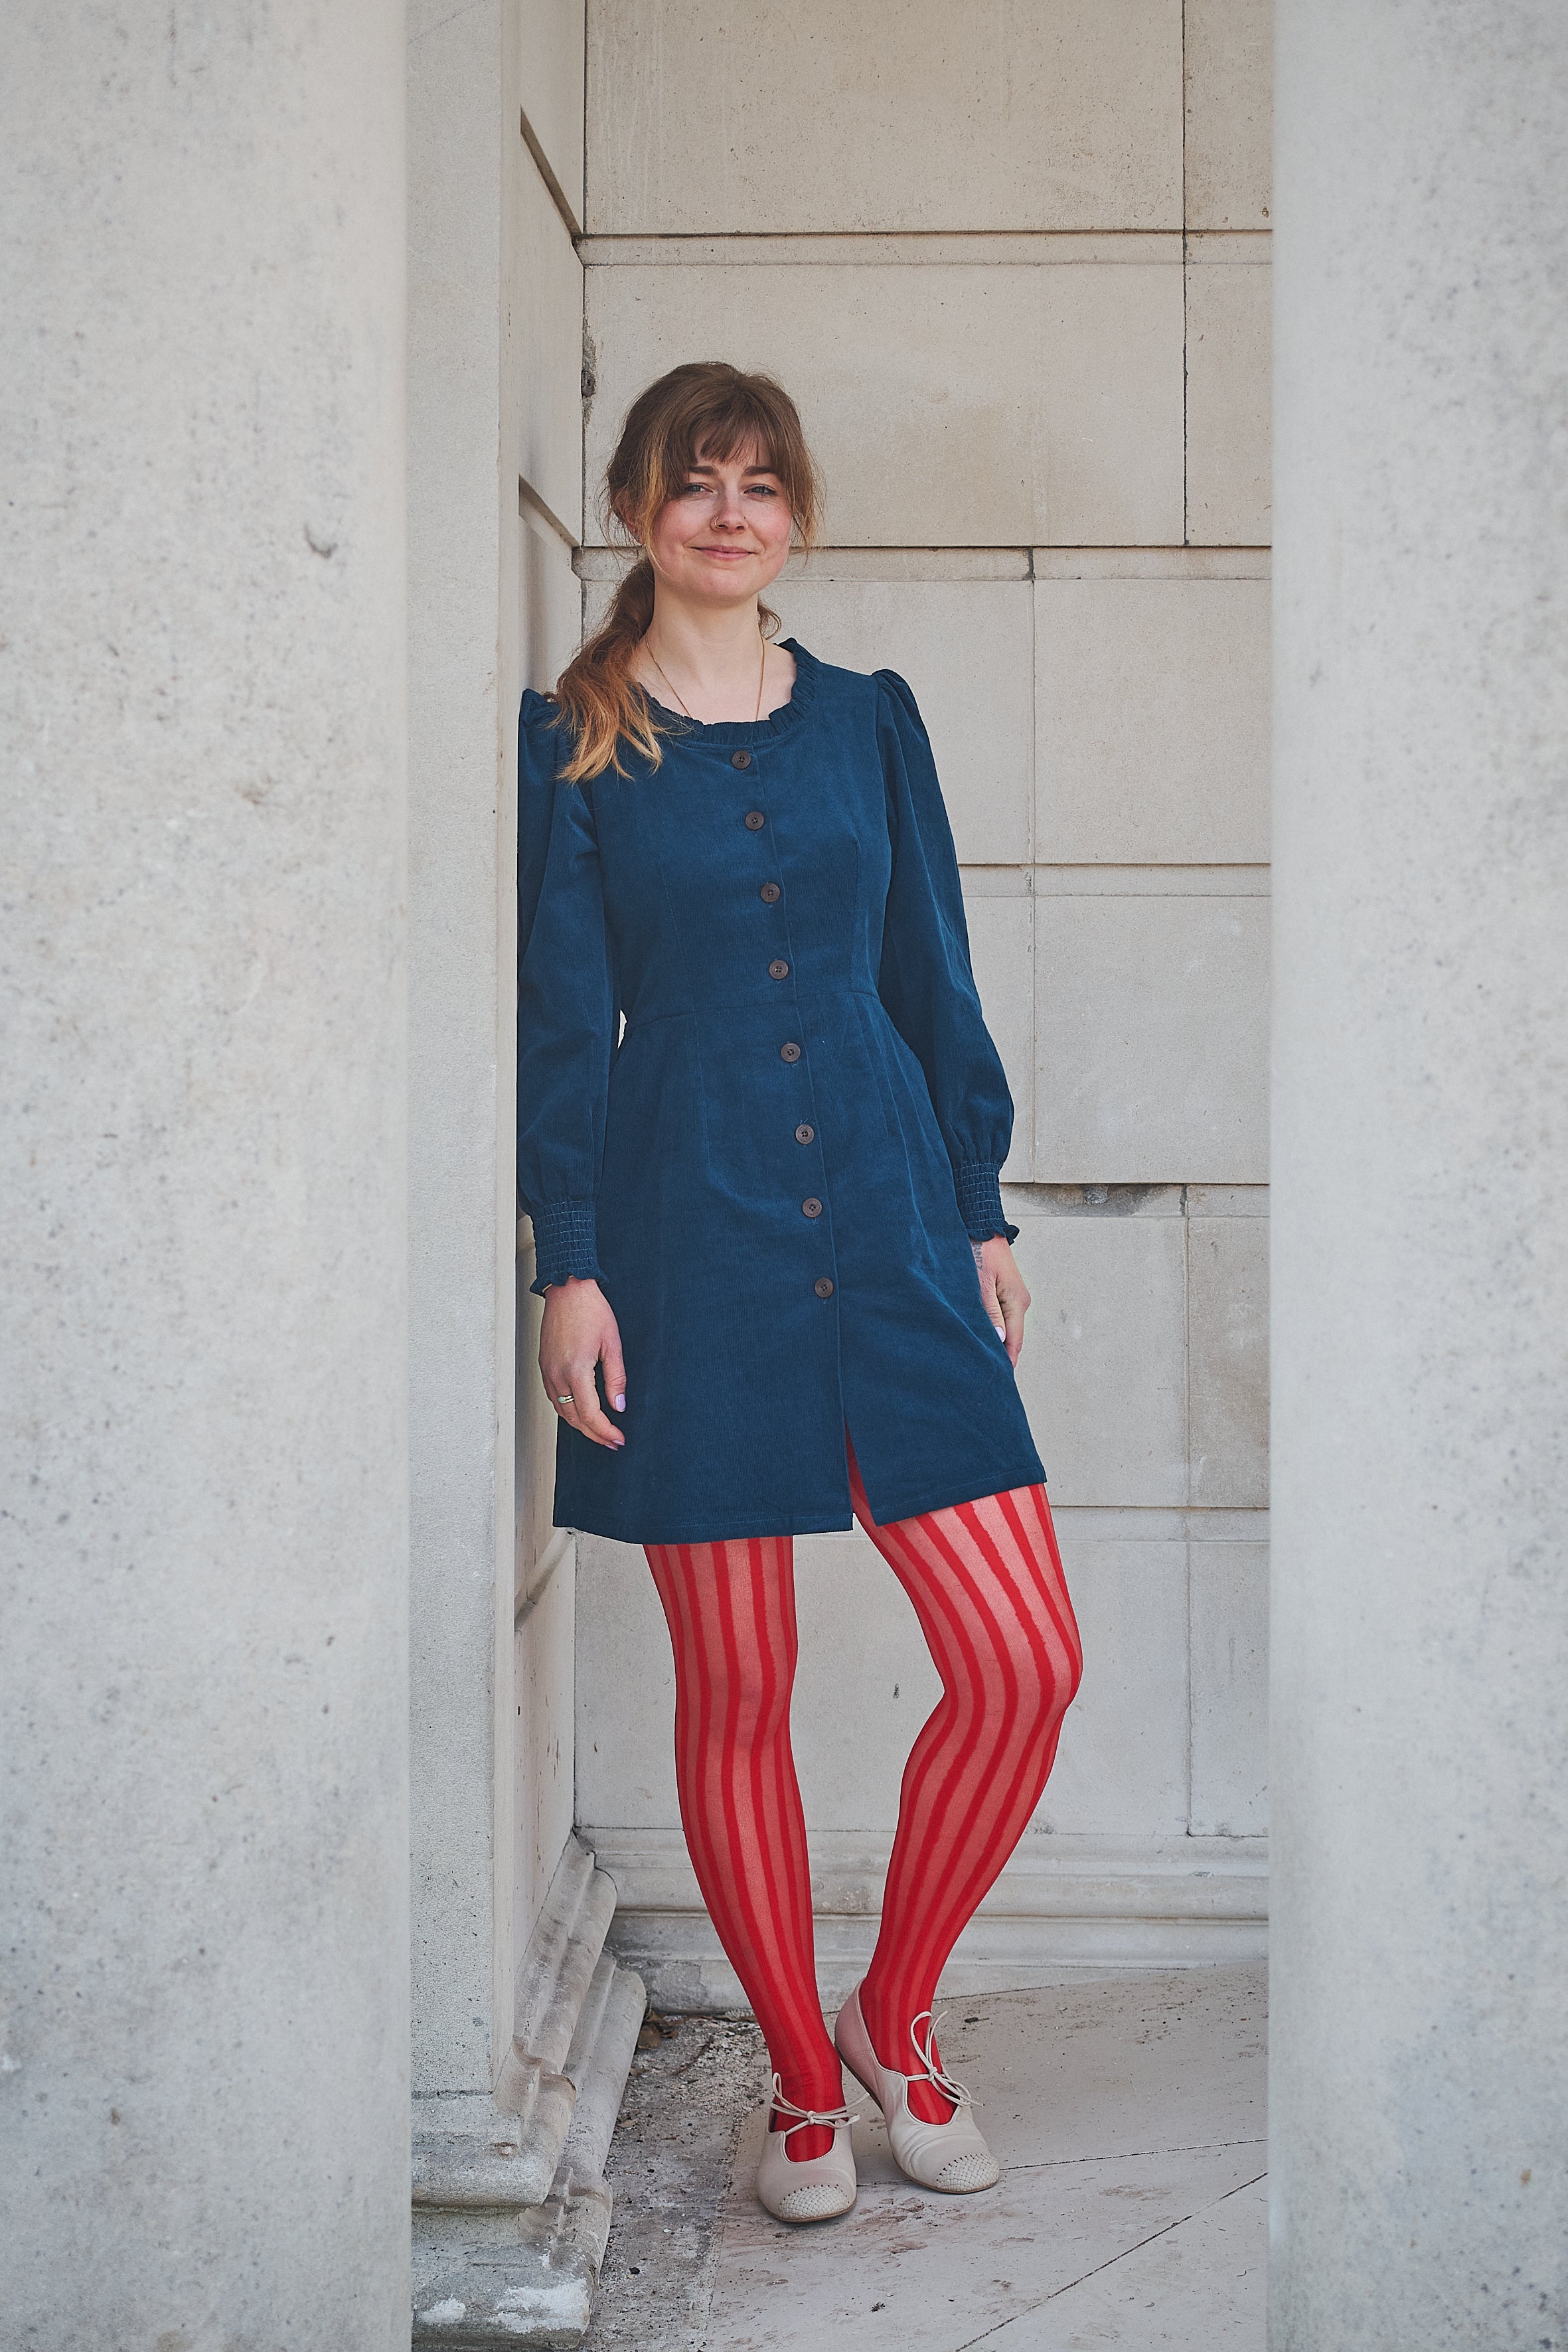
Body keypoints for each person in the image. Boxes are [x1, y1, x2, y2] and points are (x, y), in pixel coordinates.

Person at [516, 361, 1082, 2226]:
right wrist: (571, 1262)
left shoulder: (868, 720)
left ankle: (890, 2011)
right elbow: (561, 1033)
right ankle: (798, 2085)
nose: (729, 510)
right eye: (694, 482)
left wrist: (979, 1203)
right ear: (634, 510)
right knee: (736, 1680)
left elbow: (932, 966)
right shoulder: (574, 744)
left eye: (761, 481)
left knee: (1023, 1656)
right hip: (688, 1231)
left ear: (796, 516)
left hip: (898, 1213)